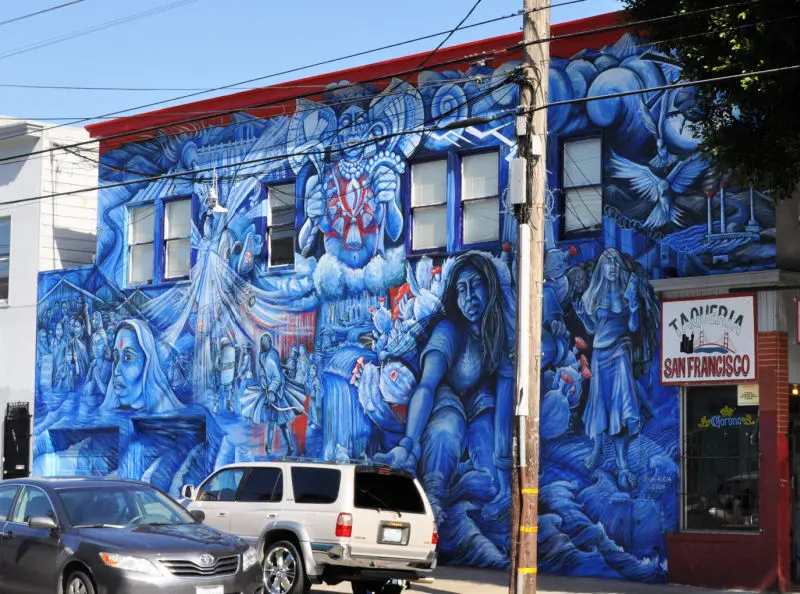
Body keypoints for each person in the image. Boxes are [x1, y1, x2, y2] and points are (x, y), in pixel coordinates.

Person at [375, 252, 515, 523]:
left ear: (490, 287)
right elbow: (426, 387)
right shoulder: (448, 331)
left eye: (476, 285)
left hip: (480, 401)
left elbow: (506, 400)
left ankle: (452, 489)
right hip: (445, 398)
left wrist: (504, 470)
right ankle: (435, 499)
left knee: (492, 483)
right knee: (444, 431)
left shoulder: (500, 332)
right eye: (461, 289)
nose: (470, 296)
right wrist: (408, 443)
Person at [575, 248, 653, 490]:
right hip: (600, 353)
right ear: (602, 267)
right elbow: (592, 328)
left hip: (620, 351)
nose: (611, 267)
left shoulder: (626, 293)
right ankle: (597, 449)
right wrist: (582, 318)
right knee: (600, 403)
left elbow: (632, 326)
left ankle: (622, 465)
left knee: (620, 406)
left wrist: (632, 308)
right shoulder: (594, 295)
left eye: (615, 263)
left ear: (619, 268)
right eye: (607, 263)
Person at [100, 319, 185, 414]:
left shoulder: (167, 416)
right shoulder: (108, 415)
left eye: (128, 357)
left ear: (147, 364)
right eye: (116, 357)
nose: (116, 371)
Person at [249, 334, 303, 455]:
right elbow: (263, 371)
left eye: (266, 341)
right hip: (270, 393)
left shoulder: (270, 358)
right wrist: (263, 379)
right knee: (276, 423)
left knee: (277, 423)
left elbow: (277, 377)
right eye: (262, 341)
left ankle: (273, 448)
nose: (264, 343)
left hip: (276, 395)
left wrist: (272, 391)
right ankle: (277, 447)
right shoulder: (264, 356)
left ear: (269, 342)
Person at [84, 331, 112, 405]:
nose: (96, 347)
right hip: (91, 402)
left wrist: (98, 378)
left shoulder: (109, 366)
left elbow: (108, 393)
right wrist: (91, 384)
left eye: (99, 343)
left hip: (103, 404)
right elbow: (85, 388)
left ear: (105, 347)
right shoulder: (93, 363)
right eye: (94, 343)